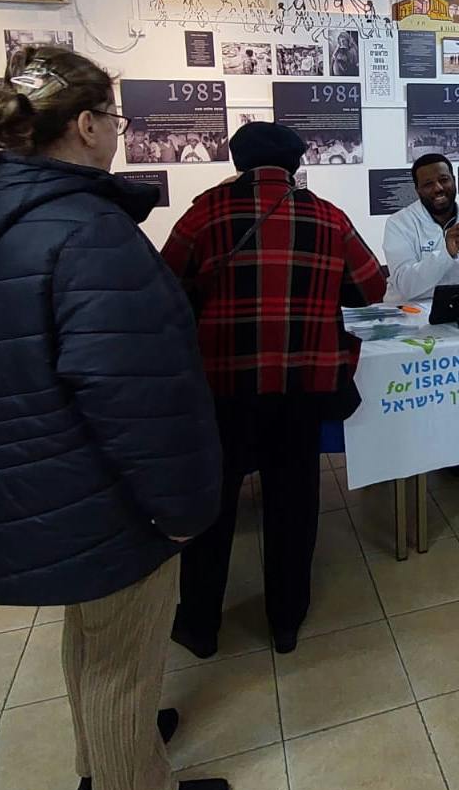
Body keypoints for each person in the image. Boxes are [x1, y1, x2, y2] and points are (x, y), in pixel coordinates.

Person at [0, 48, 228, 790]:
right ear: (88, 125)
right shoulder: (88, 230)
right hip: (101, 487)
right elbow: (135, 393)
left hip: (43, 475)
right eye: (116, 119)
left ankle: (105, 759)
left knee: (94, 638)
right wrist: (180, 509)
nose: (118, 134)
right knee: (125, 655)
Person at [162, 123, 386, 656]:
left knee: (212, 508)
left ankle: (199, 626)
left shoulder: (204, 213)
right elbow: (371, 287)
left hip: (223, 386)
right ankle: (285, 620)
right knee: (293, 505)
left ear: (238, 161)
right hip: (301, 386)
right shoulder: (329, 217)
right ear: (296, 162)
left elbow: (166, 288)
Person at [383, 153, 459, 305]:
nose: (438, 188)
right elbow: (407, 287)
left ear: (454, 180)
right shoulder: (399, 223)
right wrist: (446, 253)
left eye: (444, 180)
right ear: (418, 190)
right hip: (409, 313)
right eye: (428, 184)